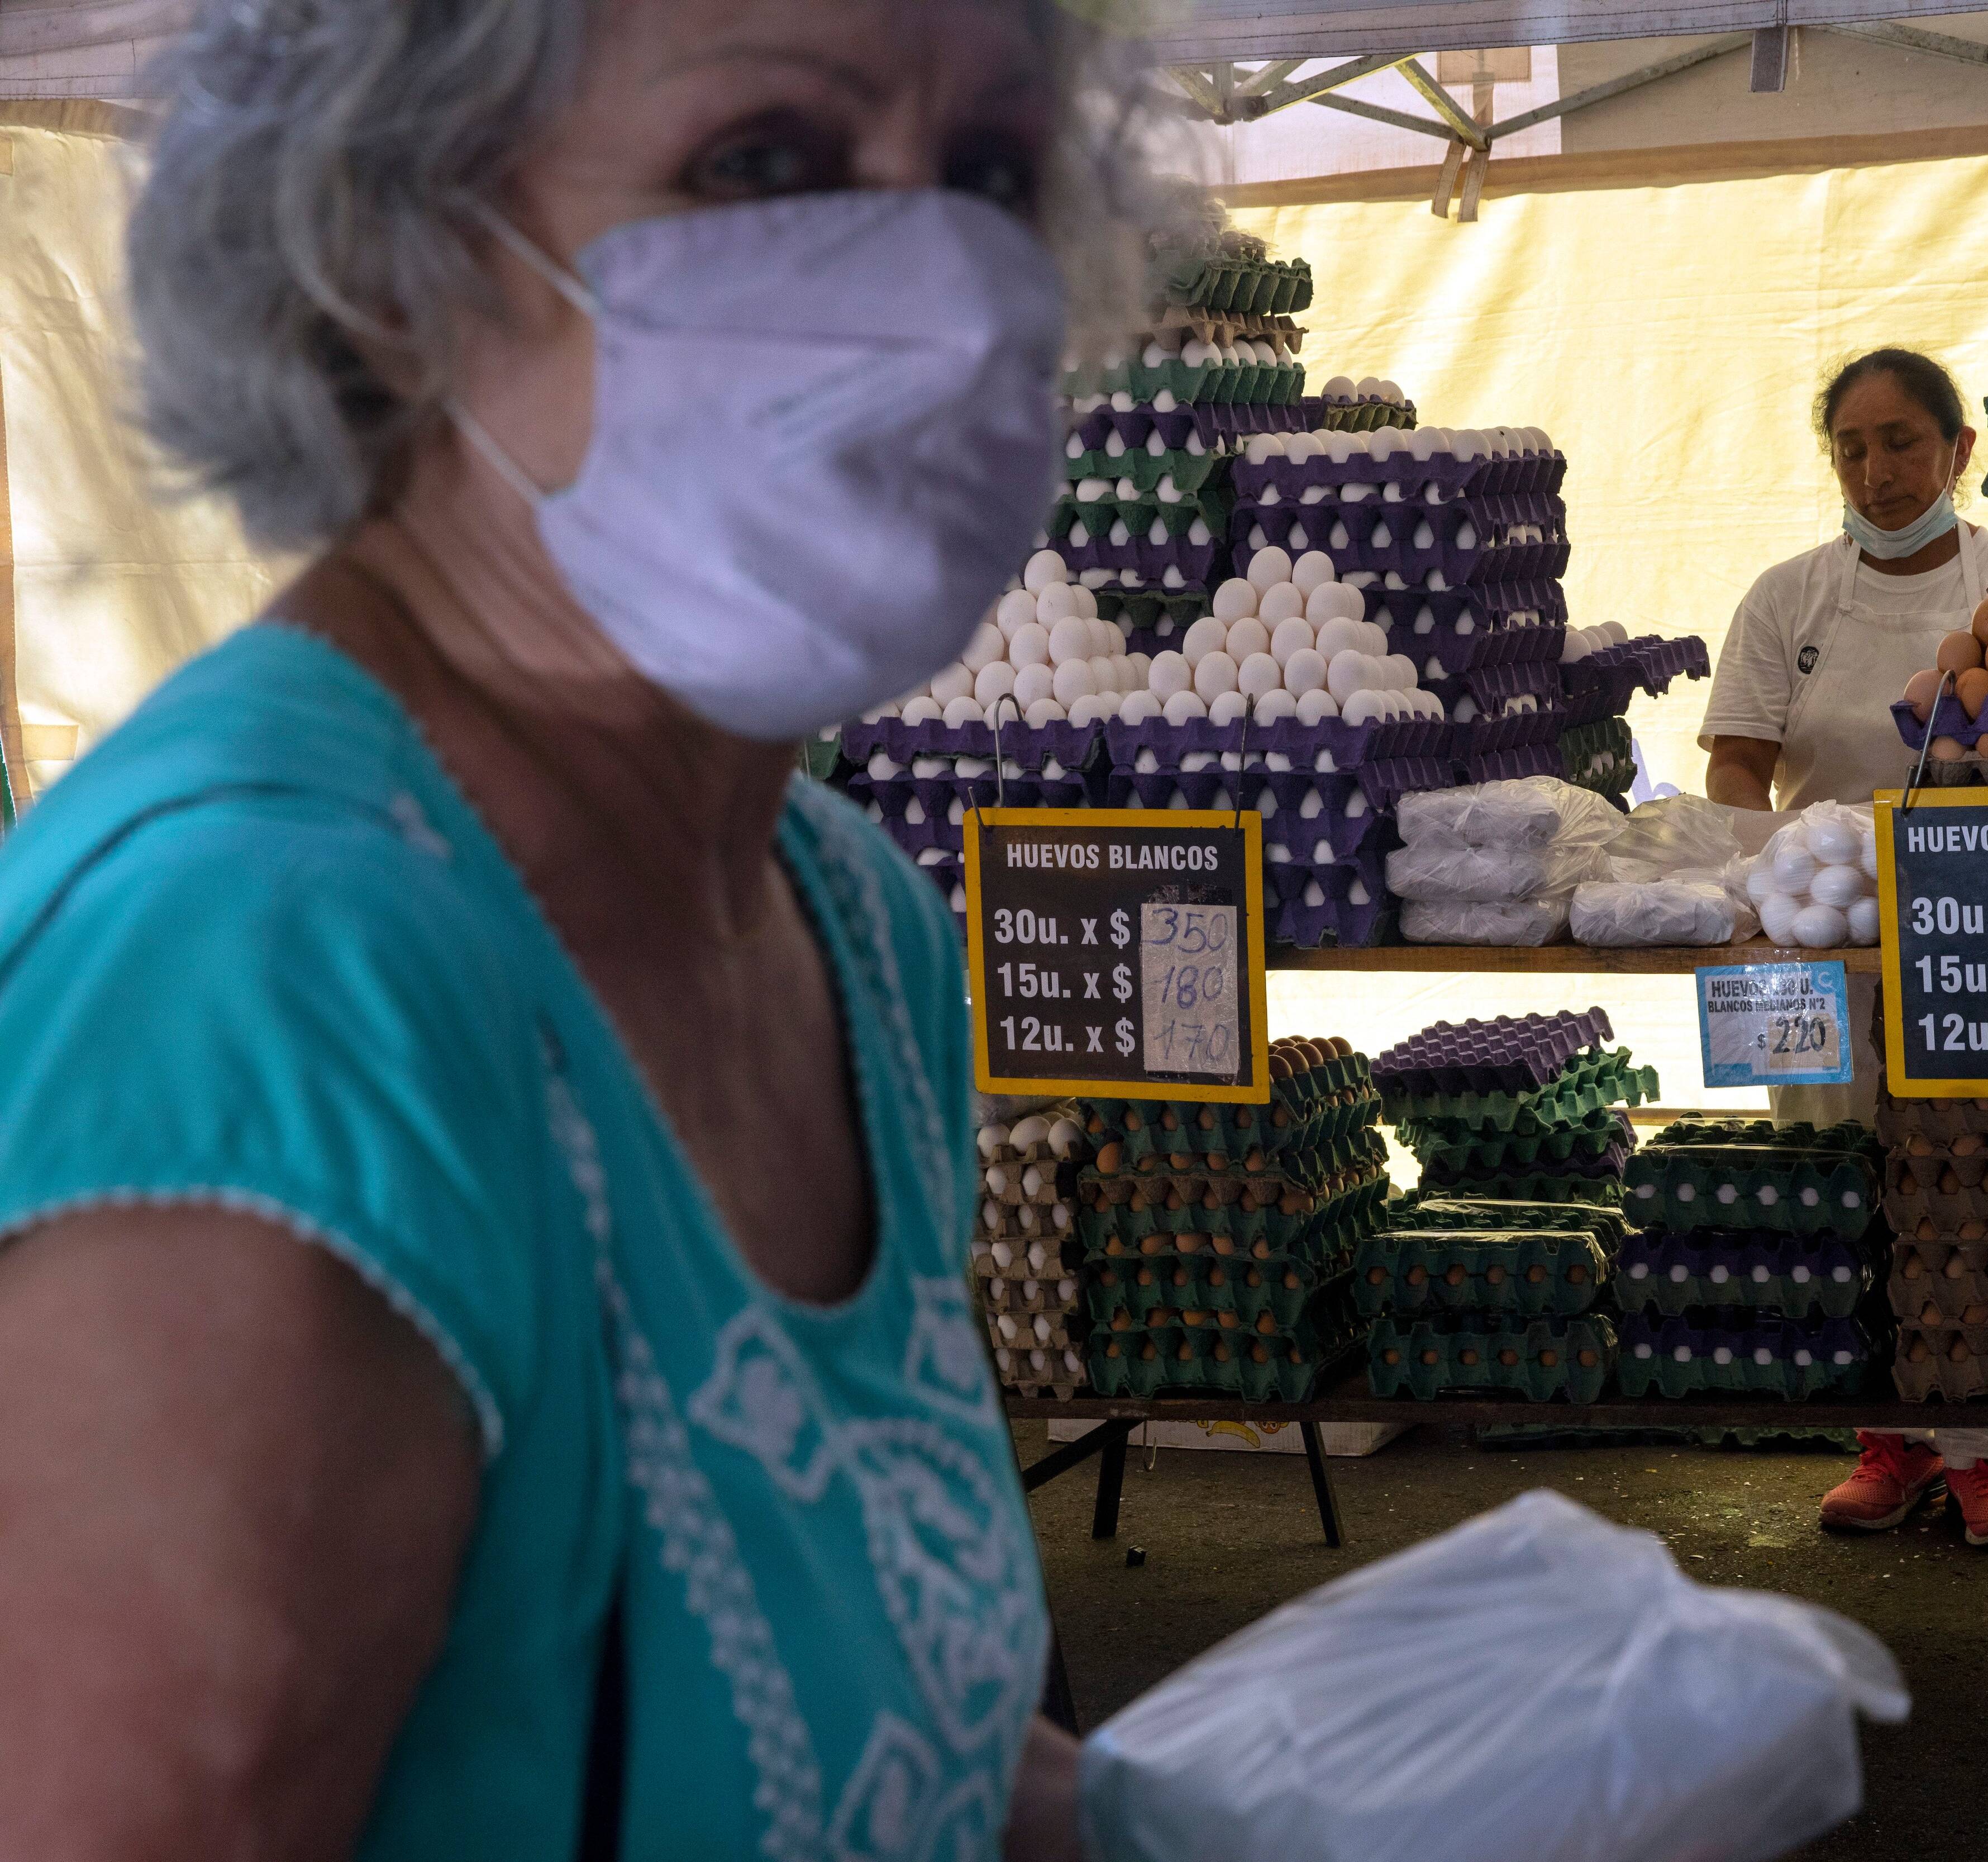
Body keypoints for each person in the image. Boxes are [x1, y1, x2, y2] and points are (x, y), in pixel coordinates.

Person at [0, 2, 1145, 1855]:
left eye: (997, 175)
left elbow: (853, 1723)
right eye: (761, 161)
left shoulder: (842, 919)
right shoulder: (270, 977)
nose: (942, 291)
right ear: (388, 261)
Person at [1697, 349, 1988, 1551]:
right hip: (1813, 940)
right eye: (1851, 446)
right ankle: (1882, 1440)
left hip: (1984, 928)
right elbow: (1737, 756)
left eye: (1903, 441)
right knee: (1833, 1177)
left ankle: (1986, 1457)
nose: (1877, 469)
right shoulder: (1788, 595)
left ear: (1960, 452)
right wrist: (1770, 868)